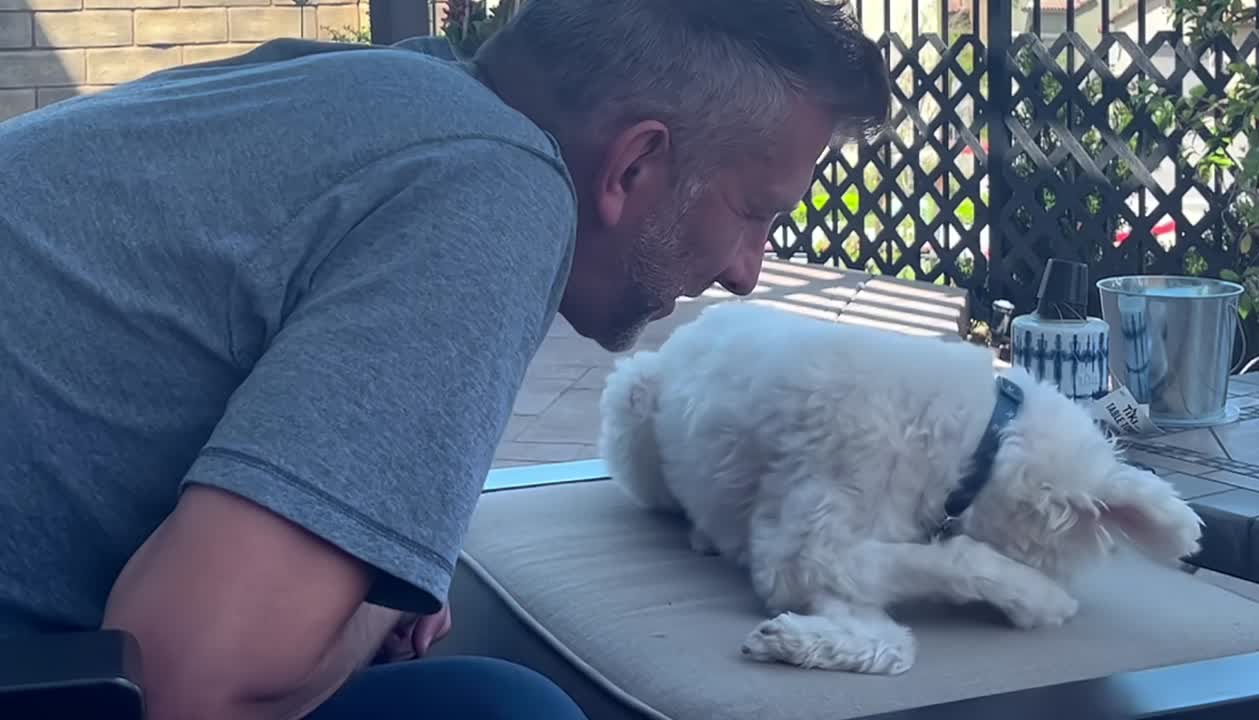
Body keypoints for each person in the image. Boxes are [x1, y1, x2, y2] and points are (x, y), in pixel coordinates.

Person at [0, 0, 890, 718]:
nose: (746, 274)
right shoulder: (494, 189)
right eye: (754, 212)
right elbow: (192, 687)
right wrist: (381, 595)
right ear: (631, 167)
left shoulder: (375, 90)